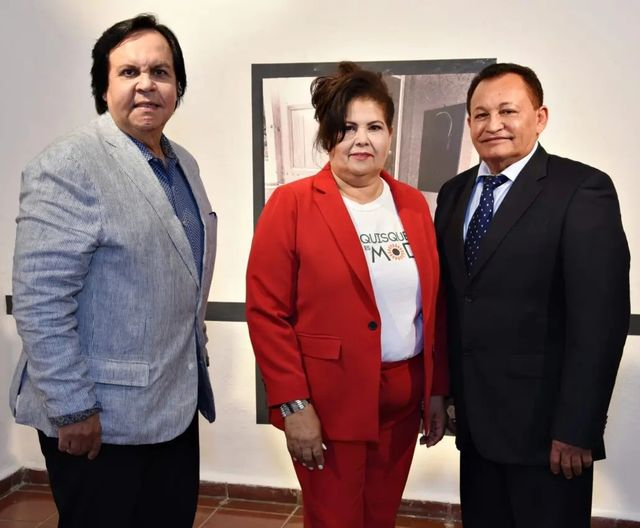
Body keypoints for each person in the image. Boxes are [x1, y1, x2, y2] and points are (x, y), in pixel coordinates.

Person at [9, 14, 217, 528]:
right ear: (104, 89)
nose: (146, 84)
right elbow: (40, 301)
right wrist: (73, 409)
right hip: (98, 420)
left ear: (178, 87)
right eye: (129, 72)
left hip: (172, 408)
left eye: (160, 72)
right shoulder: (69, 164)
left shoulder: (184, 165)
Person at [246, 62, 448, 528]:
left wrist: (436, 389)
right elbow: (267, 313)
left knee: (380, 517)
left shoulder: (412, 204)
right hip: (328, 404)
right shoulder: (292, 204)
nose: (362, 140)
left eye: (374, 127)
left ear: (390, 134)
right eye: (348, 127)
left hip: (401, 403)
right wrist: (294, 404)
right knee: (334, 520)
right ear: (327, 135)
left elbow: (432, 306)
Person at [434, 62, 630, 527]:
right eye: (481, 114)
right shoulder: (453, 194)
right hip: (476, 428)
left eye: (508, 111)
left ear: (540, 118)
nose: (493, 125)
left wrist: (578, 427)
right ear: (469, 123)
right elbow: (454, 304)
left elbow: (600, 322)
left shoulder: (582, 189)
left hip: (548, 436)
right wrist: (446, 393)